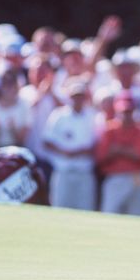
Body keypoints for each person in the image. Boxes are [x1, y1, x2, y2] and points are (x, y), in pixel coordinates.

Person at [96, 90, 140, 215]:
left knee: (138, 216)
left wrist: (118, 150)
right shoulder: (109, 129)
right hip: (115, 178)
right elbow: (101, 156)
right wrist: (128, 151)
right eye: (123, 112)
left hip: (137, 177)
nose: (126, 115)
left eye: (129, 111)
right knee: (110, 214)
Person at [43, 80, 98, 210]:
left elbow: (97, 143)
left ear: (85, 97)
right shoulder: (59, 115)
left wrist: (81, 152)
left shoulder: (92, 116)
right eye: (75, 96)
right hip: (63, 170)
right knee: (60, 209)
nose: (77, 99)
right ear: (69, 97)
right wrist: (64, 152)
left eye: (80, 96)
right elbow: (47, 141)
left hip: (84, 171)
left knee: (85, 210)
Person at [0, 68, 31, 150]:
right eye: (6, 85)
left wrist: (13, 129)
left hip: (16, 151)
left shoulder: (24, 106)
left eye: (13, 85)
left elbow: (22, 140)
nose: (10, 89)